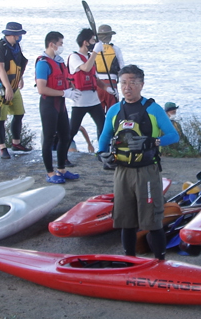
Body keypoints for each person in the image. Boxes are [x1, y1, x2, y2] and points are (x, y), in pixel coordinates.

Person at [98, 65, 180, 259]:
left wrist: (152, 141)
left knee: (152, 221)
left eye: (133, 83)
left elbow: (173, 136)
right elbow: (104, 137)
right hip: (122, 172)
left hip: (147, 171)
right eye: (123, 83)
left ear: (141, 85)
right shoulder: (114, 110)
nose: (127, 87)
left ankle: (160, 260)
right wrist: (101, 155)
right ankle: (129, 259)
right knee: (125, 220)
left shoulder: (153, 109)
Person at [33, 30, 76, 185]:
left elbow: (65, 79)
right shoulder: (43, 63)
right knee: (49, 137)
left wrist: (70, 89)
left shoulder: (59, 61)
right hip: (49, 104)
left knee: (65, 135)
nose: (62, 46)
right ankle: (50, 172)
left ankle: (62, 169)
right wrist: (63, 92)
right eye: (60, 44)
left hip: (61, 104)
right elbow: (41, 89)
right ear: (52, 44)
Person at [0, 22, 29, 158]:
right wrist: (8, 88)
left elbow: (18, 64)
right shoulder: (0, 47)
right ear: (12, 34)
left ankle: (16, 143)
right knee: (0, 118)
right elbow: (0, 68)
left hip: (14, 86)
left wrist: (20, 78)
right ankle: (2, 148)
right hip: (1, 88)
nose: (20, 37)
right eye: (19, 34)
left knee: (19, 113)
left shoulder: (16, 47)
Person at [66, 27, 106, 156]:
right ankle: (63, 154)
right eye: (93, 40)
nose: (94, 43)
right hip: (80, 102)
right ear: (85, 42)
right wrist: (95, 52)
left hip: (94, 100)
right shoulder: (74, 57)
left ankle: (103, 151)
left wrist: (108, 89)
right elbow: (85, 68)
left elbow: (95, 78)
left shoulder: (89, 56)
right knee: (73, 130)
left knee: (103, 126)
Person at [92, 23, 124, 109]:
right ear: (110, 36)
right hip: (111, 84)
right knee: (113, 112)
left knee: (99, 114)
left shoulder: (94, 50)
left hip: (98, 85)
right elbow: (122, 69)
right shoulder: (115, 49)